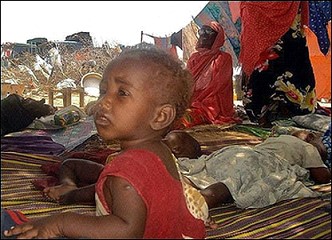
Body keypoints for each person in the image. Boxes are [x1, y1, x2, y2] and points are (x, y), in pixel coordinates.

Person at [2, 48, 208, 239]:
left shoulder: (129, 167)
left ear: (160, 116)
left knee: (7, 226)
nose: (103, 102)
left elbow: (127, 230)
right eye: (103, 91)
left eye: (122, 93)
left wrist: (61, 222)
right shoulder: (161, 153)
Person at [163, 130, 331, 209]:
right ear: (309, 137)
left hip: (235, 152)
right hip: (258, 161)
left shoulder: (277, 139)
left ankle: (184, 182)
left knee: (209, 170)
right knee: (231, 183)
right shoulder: (307, 147)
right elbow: (322, 176)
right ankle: (200, 200)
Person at [239, 2, 320, 127]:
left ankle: (281, 109)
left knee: (288, 56)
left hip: (288, 13)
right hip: (261, 15)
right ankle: (267, 111)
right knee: (265, 61)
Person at [176, 21, 241, 129]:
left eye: (209, 33)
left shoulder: (224, 58)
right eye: (202, 32)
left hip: (212, 105)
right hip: (193, 101)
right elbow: (187, 82)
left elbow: (217, 86)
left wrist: (196, 102)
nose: (204, 36)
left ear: (217, 38)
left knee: (182, 120)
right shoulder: (194, 57)